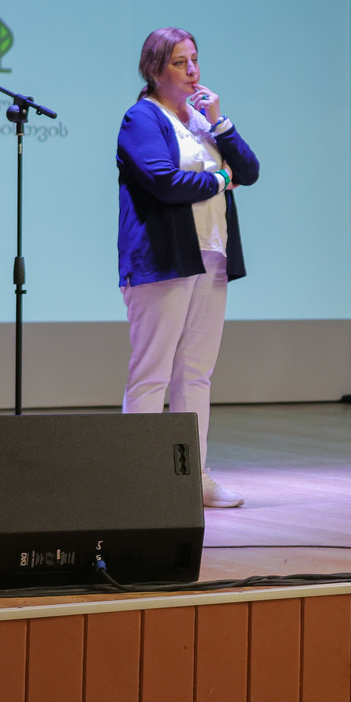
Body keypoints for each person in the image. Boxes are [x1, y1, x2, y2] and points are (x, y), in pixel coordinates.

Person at [116, 27, 260, 507]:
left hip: (211, 258)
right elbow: (164, 181)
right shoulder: (142, 117)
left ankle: (192, 477)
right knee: (152, 373)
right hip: (163, 261)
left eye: (194, 59)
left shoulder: (201, 119)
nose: (192, 70)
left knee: (196, 373)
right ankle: (137, 481)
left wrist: (220, 123)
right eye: (179, 62)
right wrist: (219, 179)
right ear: (154, 70)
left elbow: (250, 171)